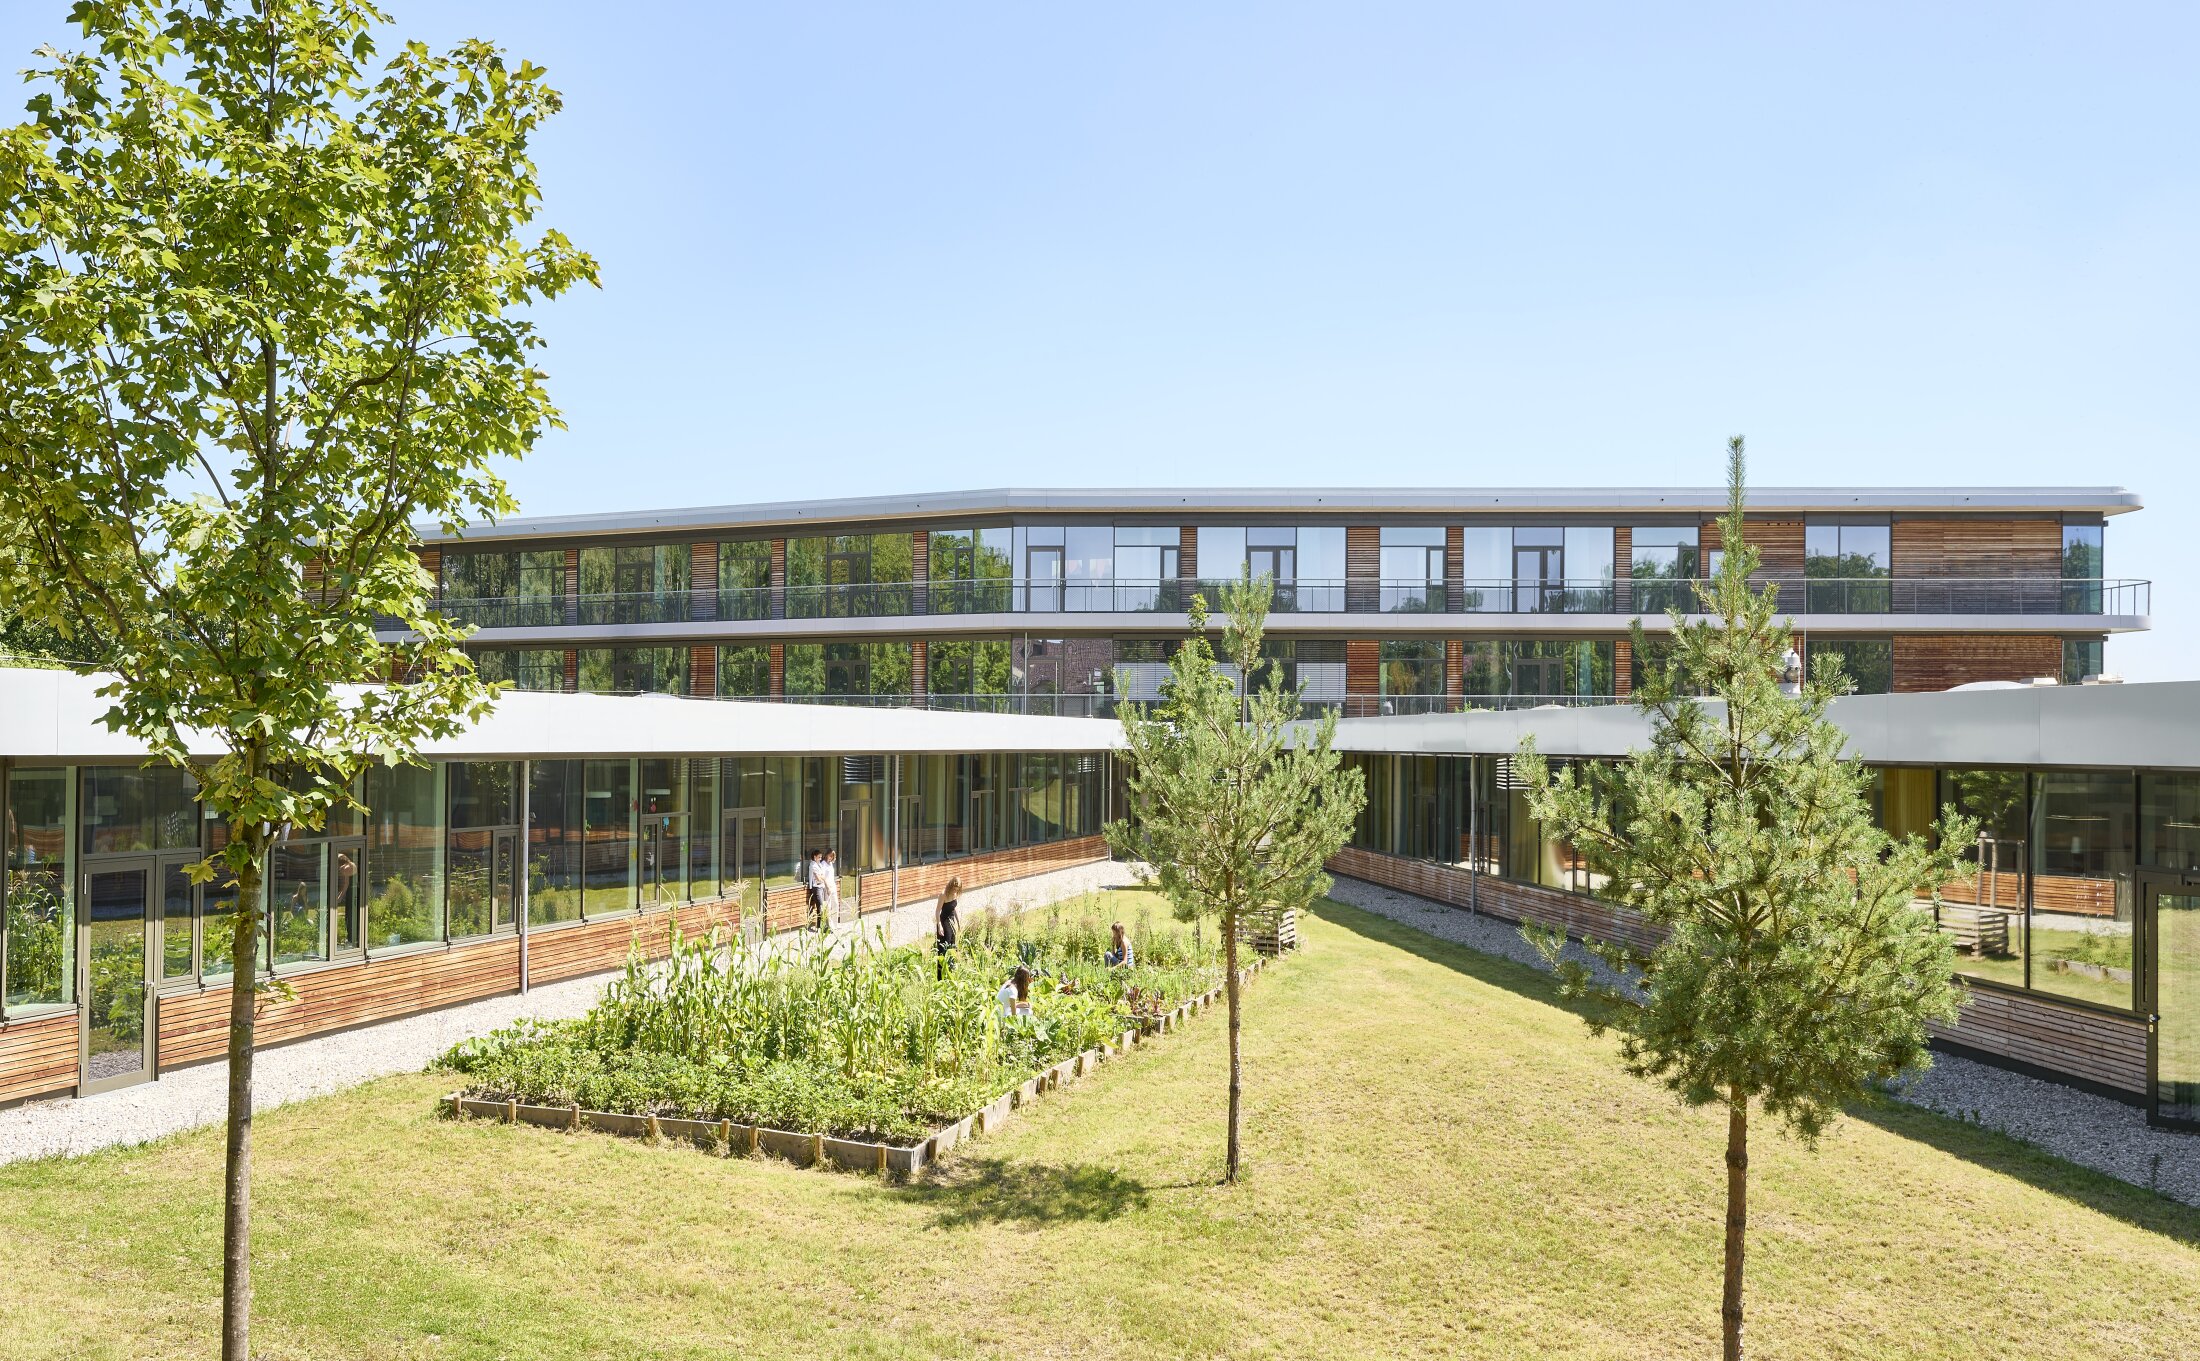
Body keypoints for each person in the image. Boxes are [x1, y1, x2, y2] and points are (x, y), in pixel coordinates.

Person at [934, 876, 962, 979]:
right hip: (944, 922)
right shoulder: (943, 894)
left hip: (952, 922)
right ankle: (940, 977)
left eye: (957, 889)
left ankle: (950, 972)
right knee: (943, 949)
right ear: (951, 885)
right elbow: (937, 911)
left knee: (952, 947)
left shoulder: (955, 894)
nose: (955, 890)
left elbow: (954, 908)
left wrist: (959, 923)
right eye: (954, 888)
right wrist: (939, 925)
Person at [818, 848, 841, 925]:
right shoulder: (823, 864)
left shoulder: (831, 864)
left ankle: (835, 923)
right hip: (827, 887)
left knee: (836, 904)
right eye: (830, 855)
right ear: (827, 854)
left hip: (833, 886)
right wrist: (827, 887)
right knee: (828, 906)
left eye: (832, 856)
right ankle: (830, 925)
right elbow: (823, 877)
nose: (831, 857)